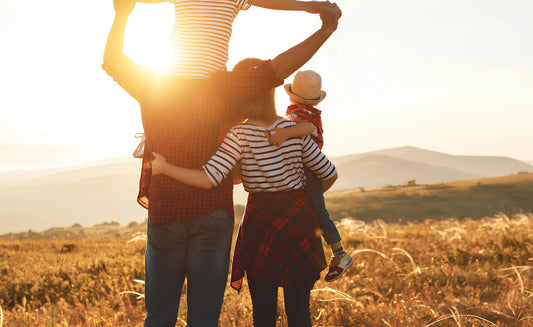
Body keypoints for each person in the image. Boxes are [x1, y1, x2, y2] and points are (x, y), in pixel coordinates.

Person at [102, 0, 341, 326]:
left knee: (159, 314)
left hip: (166, 211)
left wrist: (122, 14)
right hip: (213, 213)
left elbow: (112, 61)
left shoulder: (153, 84)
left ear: (177, 37)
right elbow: (278, 69)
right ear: (222, 44)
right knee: (203, 316)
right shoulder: (229, 87)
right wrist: (322, 25)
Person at [151, 57, 338, 326]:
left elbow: (209, 178)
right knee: (300, 313)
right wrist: (303, 200)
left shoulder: (238, 134)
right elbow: (329, 174)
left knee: (263, 314)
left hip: (262, 223)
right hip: (300, 222)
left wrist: (165, 168)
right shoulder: (293, 130)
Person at [267, 70, 353, 282]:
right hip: (303, 168)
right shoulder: (299, 111)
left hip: (309, 169)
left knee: (319, 212)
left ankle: (340, 253)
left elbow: (307, 128)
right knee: (310, 210)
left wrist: (285, 133)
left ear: (290, 94)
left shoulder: (306, 116)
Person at [138, 0, 329, 78]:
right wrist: (308, 6)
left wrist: (308, 6)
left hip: (201, 77)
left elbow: (270, 1)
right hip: (184, 75)